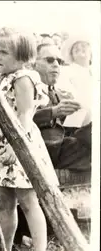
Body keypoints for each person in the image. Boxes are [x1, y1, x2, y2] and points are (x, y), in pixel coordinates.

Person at [0, 27, 59, 251]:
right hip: (3, 146)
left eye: (4, 52)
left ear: (22, 57)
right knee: (6, 203)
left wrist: (14, 146)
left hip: (20, 144)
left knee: (29, 201)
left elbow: (25, 114)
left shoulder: (23, 78)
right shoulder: (1, 77)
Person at [33, 43, 91, 171]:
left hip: (63, 146)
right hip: (43, 149)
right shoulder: (28, 87)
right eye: (49, 60)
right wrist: (54, 112)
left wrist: (79, 113)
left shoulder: (59, 93)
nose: (56, 65)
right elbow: (21, 117)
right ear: (33, 63)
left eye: (59, 61)